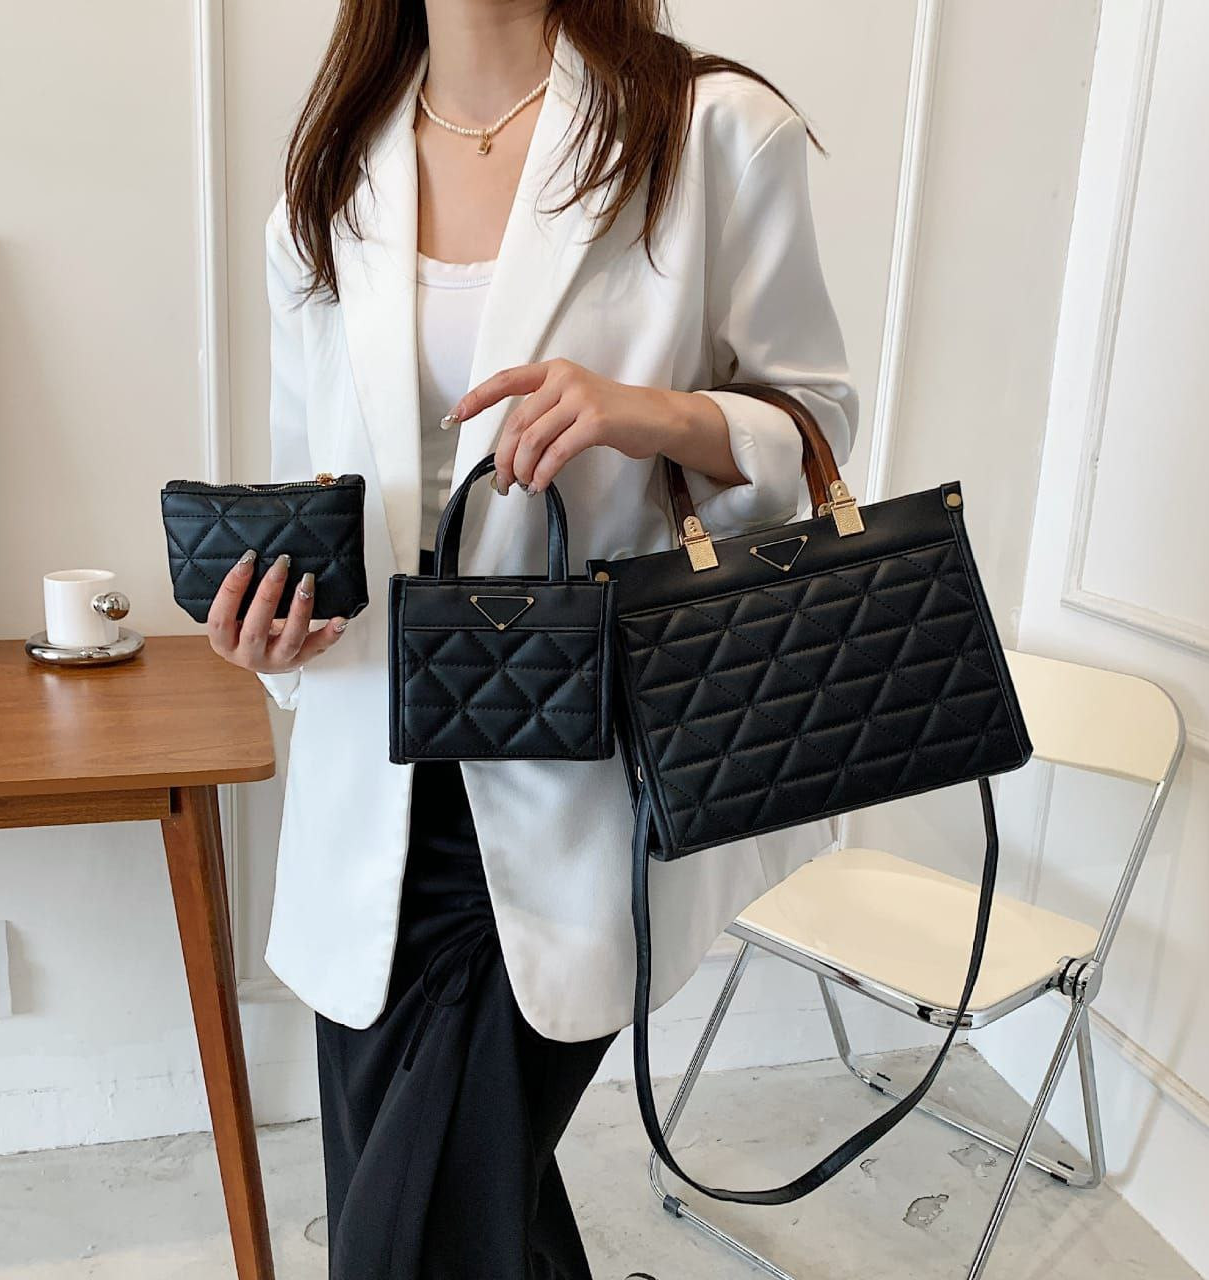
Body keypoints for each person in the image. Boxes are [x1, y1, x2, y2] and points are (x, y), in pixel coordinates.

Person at [207, 2, 858, 1276]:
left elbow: (816, 429)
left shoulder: (709, 130)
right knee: (460, 1214)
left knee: (403, 1241)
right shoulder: (327, 176)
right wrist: (278, 631)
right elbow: (319, 489)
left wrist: (654, 413)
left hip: (580, 776)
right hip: (369, 795)